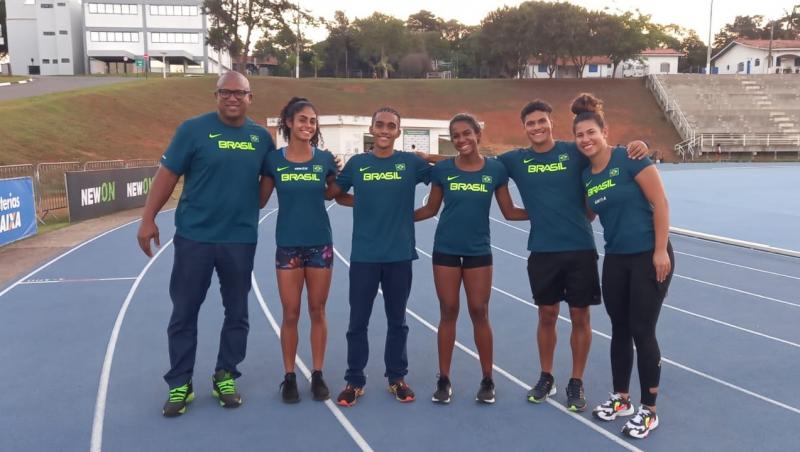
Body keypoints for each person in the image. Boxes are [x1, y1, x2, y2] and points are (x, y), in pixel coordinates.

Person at [495, 99, 649, 412]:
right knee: (546, 315)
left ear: (551, 123)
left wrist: (639, 144)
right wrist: (428, 156)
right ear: (524, 128)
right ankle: (546, 376)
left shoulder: (574, 151)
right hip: (542, 251)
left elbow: (606, 151)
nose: (537, 127)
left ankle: (576, 381)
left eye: (542, 121)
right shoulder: (515, 160)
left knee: (581, 317)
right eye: (531, 123)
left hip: (579, 248)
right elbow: (472, 162)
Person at [136, 72, 275, 417]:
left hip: (239, 239)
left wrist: (249, 205)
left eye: (239, 93)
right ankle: (180, 382)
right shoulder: (193, 130)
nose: (232, 98)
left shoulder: (261, 138)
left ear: (250, 97)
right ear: (216, 95)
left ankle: (225, 374)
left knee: (237, 312)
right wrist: (148, 218)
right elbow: (168, 175)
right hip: (194, 238)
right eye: (226, 92)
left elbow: (268, 181)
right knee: (184, 312)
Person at [571, 93, 673, 439]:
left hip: (648, 255)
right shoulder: (587, 176)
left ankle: (649, 409)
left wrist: (660, 251)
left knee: (643, 331)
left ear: (604, 132)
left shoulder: (630, 158)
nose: (586, 139)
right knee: (618, 329)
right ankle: (622, 398)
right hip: (616, 259)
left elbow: (660, 202)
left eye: (591, 133)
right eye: (579, 135)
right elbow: (587, 212)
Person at [415, 113, 527, 404]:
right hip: (446, 250)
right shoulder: (443, 171)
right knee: (448, 310)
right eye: (456, 136)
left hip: (479, 251)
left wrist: (547, 212)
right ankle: (443, 379)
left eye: (467, 133)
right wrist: (395, 219)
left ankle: (487, 379)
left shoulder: (495, 170)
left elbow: (510, 212)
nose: (461, 140)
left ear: (478, 134)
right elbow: (429, 210)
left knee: (479, 311)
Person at [328, 107, 431, 407]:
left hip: (399, 254)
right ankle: (354, 380)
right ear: (372, 129)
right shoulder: (358, 163)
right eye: (380, 125)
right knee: (357, 321)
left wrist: (429, 158)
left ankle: (396, 378)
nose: (385, 130)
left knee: (397, 321)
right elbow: (334, 193)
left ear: (398, 132)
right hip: (364, 255)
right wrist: (358, 199)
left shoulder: (410, 163)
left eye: (391, 126)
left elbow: (445, 173)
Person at [259, 97, 338, 403]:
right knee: (290, 313)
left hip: (320, 244)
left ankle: (317, 374)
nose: (308, 125)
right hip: (288, 246)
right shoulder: (273, 161)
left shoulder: (325, 159)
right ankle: (289, 376)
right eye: (302, 119)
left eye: (313, 121)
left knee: (317, 311)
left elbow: (334, 193)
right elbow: (259, 200)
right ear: (288, 123)